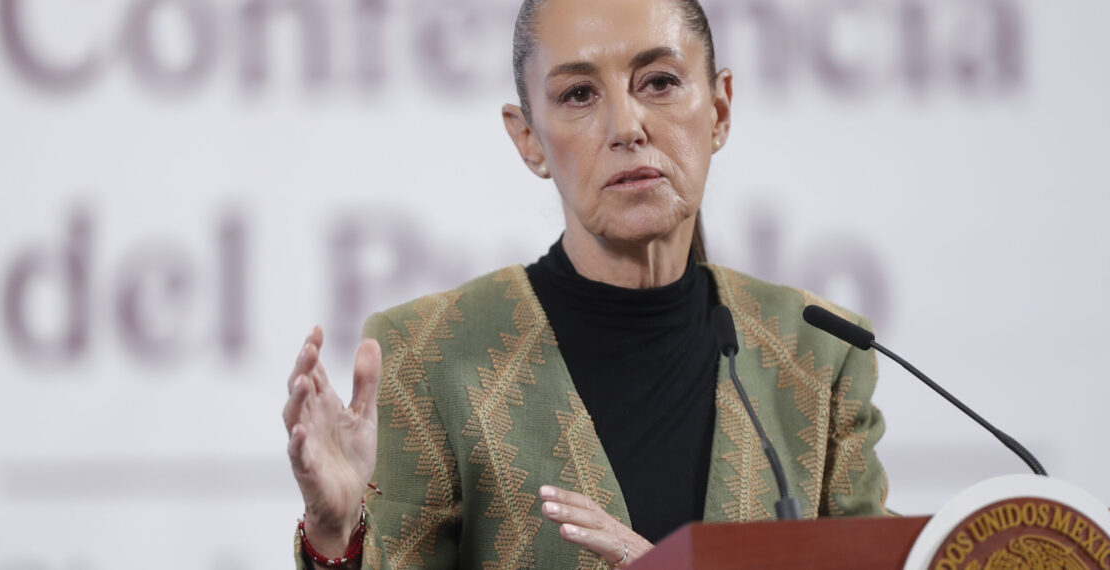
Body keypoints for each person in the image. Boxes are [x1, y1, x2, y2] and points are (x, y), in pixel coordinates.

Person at [283, 0, 889, 567]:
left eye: (659, 82)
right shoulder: (431, 354)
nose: (627, 126)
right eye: (579, 94)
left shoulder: (821, 354)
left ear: (720, 110)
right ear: (528, 139)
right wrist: (335, 536)